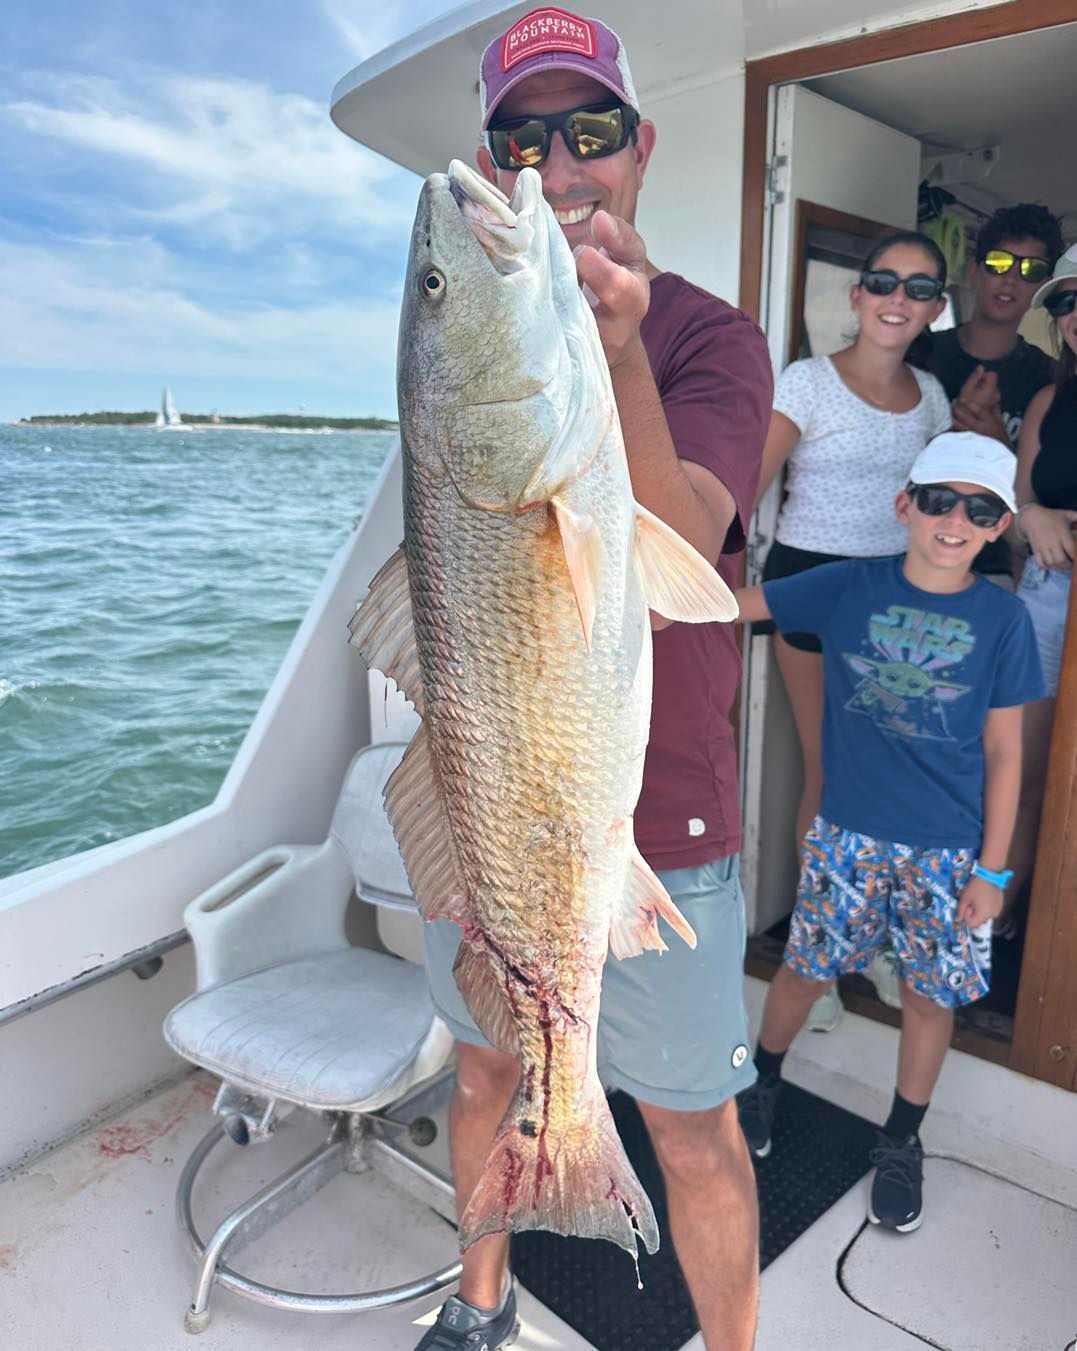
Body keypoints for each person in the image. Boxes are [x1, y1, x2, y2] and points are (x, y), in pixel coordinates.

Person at [416, 11, 773, 1351]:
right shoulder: (492, 348)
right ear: (495, 154)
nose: (555, 166)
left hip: (662, 812)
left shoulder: (708, 339)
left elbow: (681, 537)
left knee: (694, 1130)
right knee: (481, 1067)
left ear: (640, 147)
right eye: (521, 136)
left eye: (590, 131)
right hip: (494, 803)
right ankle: (482, 1298)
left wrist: (614, 346)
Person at [734, 432, 1043, 1232]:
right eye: (938, 499)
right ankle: (761, 1078)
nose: (953, 520)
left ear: (999, 523)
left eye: (978, 509)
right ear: (905, 504)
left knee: (926, 998)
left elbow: (1004, 751)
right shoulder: (846, 586)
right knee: (802, 971)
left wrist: (993, 871)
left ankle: (900, 1140)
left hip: (949, 853)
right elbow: (729, 607)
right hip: (846, 836)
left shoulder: (1002, 619)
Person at [753, 233, 952, 1020]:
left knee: (892, 778)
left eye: (917, 288)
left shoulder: (932, 397)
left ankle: (874, 941)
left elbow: (944, 504)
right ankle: (821, 951)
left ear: (935, 308)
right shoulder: (805, 382)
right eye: (881, 282)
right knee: (831, 773)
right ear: (856, 295)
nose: (895, 298)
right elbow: (746, 487)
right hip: (810, 587)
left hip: (896, 598)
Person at [927, 203, 1063, 581]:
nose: (1012, 279)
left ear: (1041, 288)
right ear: (974, 271)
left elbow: (1046, 487)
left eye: (1031, 270)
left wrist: (997, 440)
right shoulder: (919, 355)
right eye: (999, 263)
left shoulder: (1049, 379)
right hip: (902, 551)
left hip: (993, 566)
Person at [1004, 243, 1077, 922]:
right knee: (1019, 780)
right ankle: (999, 932)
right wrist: (1030, 515)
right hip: (1046, 601)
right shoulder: (1049, 400)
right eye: (1065, 300)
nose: (1075, 312)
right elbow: (1017, 508)